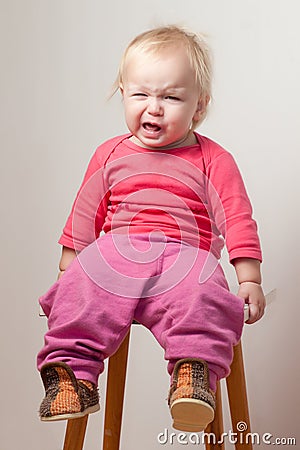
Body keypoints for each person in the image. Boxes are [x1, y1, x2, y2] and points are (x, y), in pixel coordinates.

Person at [37, 25, 265, 432]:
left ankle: (193, 375)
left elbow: (237, 216)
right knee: (84, 284)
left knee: (205, 293)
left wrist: (249, 277)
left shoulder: (214, 159)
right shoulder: (109, 154)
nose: (154, 107)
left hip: (186, 254)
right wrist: (66, 273)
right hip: (118, 250)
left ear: (199, 107)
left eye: (171, 97)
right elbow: (84, 215)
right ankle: (71, 377)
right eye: (141, 94)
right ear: (122, 93)